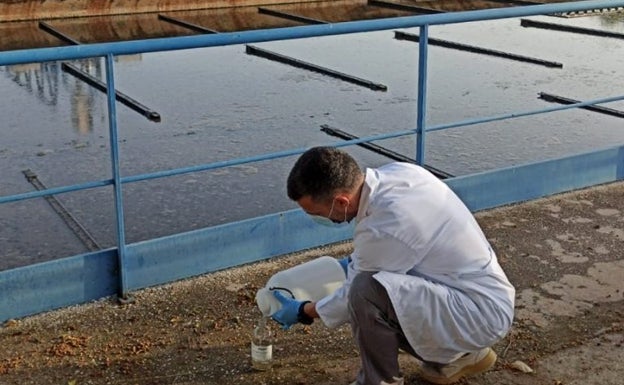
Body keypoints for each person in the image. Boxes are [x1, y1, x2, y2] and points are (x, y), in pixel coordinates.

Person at [272, 146, 515, 385]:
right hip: (476, 293)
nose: (318, 219)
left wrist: (304, 310)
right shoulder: (402, 174)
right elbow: (397, 253)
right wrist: (351, 265)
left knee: (366, 293)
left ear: (342, 202)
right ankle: (462, 357)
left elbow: (350, 298)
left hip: (478, 314)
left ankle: (380, 381)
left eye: (316, 213)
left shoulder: (385, 225)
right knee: (375, 286)